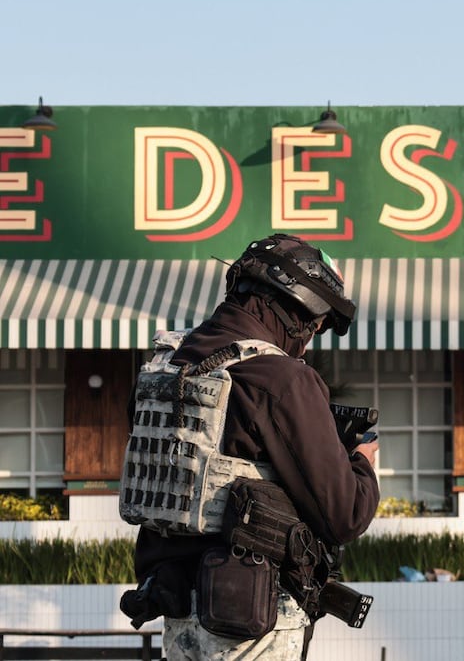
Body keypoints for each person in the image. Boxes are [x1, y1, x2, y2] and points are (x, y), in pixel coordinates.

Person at [119, 233, 380, 660]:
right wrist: (361, 463)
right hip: (252, 622)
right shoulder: (282, 378)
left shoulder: (165, 367)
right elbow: (345, 514)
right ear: (297, 310)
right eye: (315, 325)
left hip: (178, 613)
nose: (311, 339)